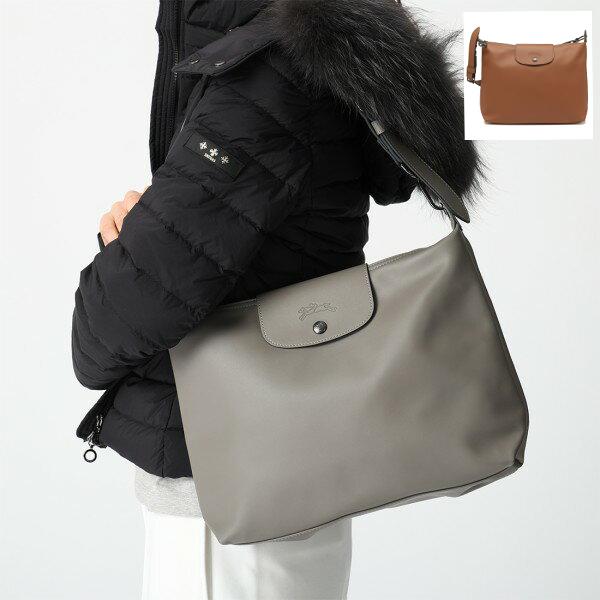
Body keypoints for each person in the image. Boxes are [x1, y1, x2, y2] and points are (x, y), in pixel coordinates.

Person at [72, 1, 480, 598]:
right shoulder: (310, 58)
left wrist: (121, 245)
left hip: (228, 501)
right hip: (283, 478)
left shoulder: (269, 73)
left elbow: (114, 322)